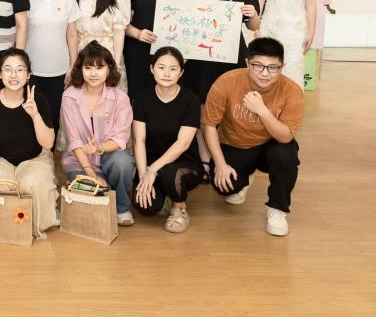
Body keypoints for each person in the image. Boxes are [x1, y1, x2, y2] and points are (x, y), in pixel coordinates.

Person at [202, 37, 303, 236]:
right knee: (225, 187)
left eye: (272, 67)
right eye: (258, 66)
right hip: (235, 143)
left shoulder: (292, 91)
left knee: (286, 156)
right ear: (247, 63)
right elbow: (209, 125)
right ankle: (245, 179)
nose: (265, 73)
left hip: (271, 144)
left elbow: (285, 137)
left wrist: (262, 111)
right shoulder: (226, 82)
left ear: (282, 67)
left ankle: (277, 209)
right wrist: (220, 164)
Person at [0, 49, 59, 238]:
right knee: (1, 186)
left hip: (35, 158)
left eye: (20, 70)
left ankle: (45, 211)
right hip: (2, 159)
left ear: (28, 75)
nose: (13, 75)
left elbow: (48, 143)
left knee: (30, 184)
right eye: (8, 69)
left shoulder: (39, 100)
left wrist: (35, 115)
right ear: (0, 74)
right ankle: (10, 228)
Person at [60, 42, 135, 226]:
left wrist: (99, 148)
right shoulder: (69, 96)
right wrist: (90, 173)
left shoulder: (120, 98)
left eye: (99, 67)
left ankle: (122, 208)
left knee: (122, 162)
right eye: (88, 67)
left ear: (109, 69)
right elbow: (74, 140)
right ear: (80, 69)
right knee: (93, 200)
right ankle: (106, 190)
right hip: (79, 162)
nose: (93, 73)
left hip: (110, 156)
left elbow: (120, 138)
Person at [131, 47, 203, 233]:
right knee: (147, 208)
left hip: (183, 163)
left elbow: (183, 144)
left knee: (170, 174)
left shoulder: (191, 100)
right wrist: (143, 175)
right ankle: (165, 195)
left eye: (173, 69)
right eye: (161, 67)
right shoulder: (141, 99)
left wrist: (153, 170)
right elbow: (139, 140)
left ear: (181, 72)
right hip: (150, 163)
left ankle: (179, 207)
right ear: (152, 69)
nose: (167, 73)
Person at [188, 0, 262, 102]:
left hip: (233, 50)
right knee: (202, 97)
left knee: (234, 97)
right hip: (202, 53)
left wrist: (253, 15)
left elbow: (253, 26)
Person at [26, 0, 80, 137]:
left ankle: (48, 150)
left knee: (54, 113)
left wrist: (73, 65)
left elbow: (72, 34)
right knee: (30, 113)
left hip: (59, 69)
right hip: (31, 68)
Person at [72, 0, 131, 93]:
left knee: (109, 97)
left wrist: (116, 62)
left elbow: (119, 30)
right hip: (80, 52)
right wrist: (72, 61)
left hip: (108, 52)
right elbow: (70, 31)